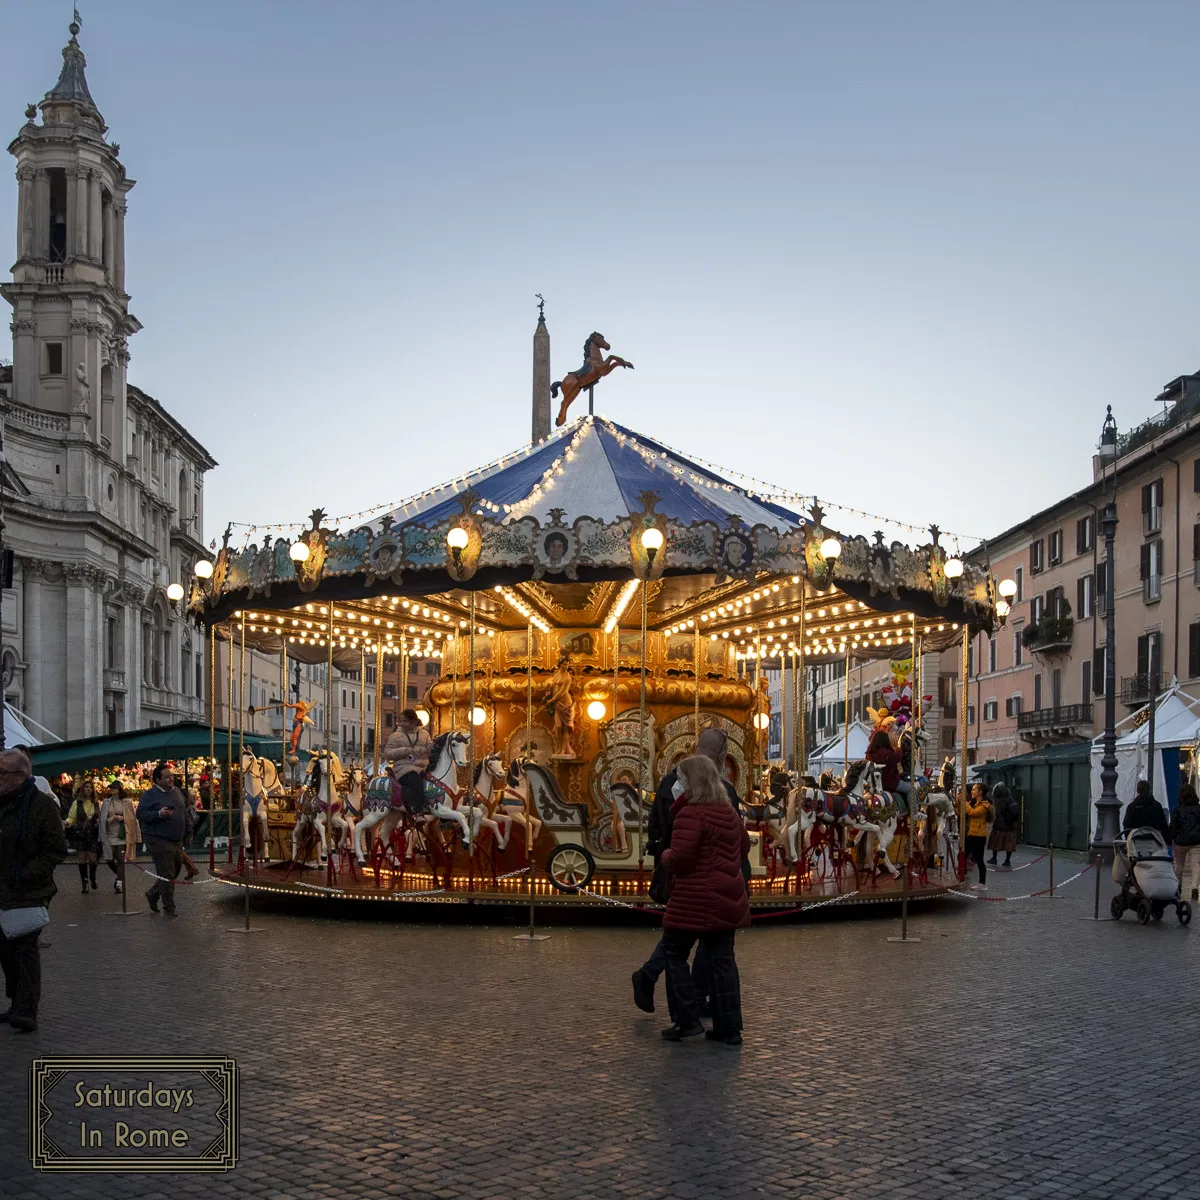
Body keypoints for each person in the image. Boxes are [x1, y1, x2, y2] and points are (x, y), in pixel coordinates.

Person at [633, 727, 745, 1015]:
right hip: (708, 879)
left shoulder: (668, 783)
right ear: (722, 755)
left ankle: (657, 980)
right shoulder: (721, 791)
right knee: (703, 942)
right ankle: (694, 1002)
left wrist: (664, 858)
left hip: (679, 874)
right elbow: (737, 841)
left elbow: (655, 825)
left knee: (679, 938)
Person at [659, 755, 751, 1045]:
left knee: (674, 953)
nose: (677, 784)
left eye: (681, 778)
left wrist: (665, 856)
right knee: (723, 961)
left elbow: (681, 859)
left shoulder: (690, 813)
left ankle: (687, 1020)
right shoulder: (728, 811)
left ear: (692, 781)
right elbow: (744, 845)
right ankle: (729, 1028)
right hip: (727, 897)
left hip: (694, 898)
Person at [0, 748, 68, 1032]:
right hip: (2, 887)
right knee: (6, 949)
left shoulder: (42, 806)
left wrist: (25, 874)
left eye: (2, 773)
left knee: (24, 946)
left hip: (29, 889)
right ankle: (16, 1001)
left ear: (20, 775)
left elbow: (56, 849)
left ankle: (27, 1009)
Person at [136, 762, 188, 917]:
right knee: (167, 874)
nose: (171, 779)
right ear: (158, 780)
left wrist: (188, 830)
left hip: (176, 839)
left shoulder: (176, 791)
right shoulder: (150, 795)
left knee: (175, 871)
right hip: (158, 839)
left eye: (171, 776)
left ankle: (153, 893)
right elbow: (140, 814)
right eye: (167, 777)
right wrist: (158, 814)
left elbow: (183, 811)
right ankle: (169, 908)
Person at [383, 709, 433, 812]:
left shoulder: (424, 734)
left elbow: (430, 749)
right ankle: (417, 810)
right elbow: (387, 753)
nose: (401, 724)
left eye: (404, 721)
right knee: (415, 781)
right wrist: (403, 751)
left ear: (413, 721)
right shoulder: (395, 736)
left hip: (423, 767)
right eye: (400, 721)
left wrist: (433, 746)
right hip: (404, 768)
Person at [99, 781, 139, 894]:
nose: (112, 789)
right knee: (109, 858)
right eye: (111, 788)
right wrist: (109, 820)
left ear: (119, 789)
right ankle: (119, 875)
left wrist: (121, 818)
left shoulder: (127, 802)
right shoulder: (106, 802)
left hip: (122, 834)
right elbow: (102, 818)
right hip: (109, 834)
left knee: (120, 858)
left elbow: (132, 818)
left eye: (114, 788)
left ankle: (119, 883)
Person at [65, 779, 101, 894]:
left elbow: (100, 816)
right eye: (86, 787)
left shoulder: (96, 803)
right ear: (82, 789)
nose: (88, 789)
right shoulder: (77, 803)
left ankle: (92, 878)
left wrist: (99, 821)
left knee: (93, 859)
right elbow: (72, 817)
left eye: (90, 787)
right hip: (80, 833)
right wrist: (68, 822)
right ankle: (84, 882)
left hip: (93, 833)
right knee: (81, 858)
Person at [1169, 782, 1200, 901]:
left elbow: (1173, 827)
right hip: (1196, 841)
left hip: (1180, 842)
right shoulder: (1198, 809)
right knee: (1195, 864)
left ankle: (1178, 887)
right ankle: (1194, 888)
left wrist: (1173, 837)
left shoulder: (1178, 810)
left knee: (1179, 864)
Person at [963, 782, 993, 891]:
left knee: (979, 859)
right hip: (971, 833)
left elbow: (973, 813)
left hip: (979, 836)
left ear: (980, 792)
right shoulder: (974, 802)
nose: (972, 791)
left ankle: (982, 883)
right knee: (963, 856)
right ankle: (962, 876)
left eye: (974, 789)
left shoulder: (985, 805)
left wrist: (965, 804)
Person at [986, 782, 1020, 869]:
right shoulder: (1010, 798)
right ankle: (1007, 860)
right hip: (1010, 825)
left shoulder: (997, 800)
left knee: (995, 842)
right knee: (1009, 844)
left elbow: (997, 813)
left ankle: (994, 858)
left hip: (1000, 825)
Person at [865, 729, 902, 793]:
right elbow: (898, 757)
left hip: (873, 783)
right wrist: (898, 748)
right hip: (888, 783)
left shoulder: (869, 753)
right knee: (910, 789)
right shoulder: (884, 752)